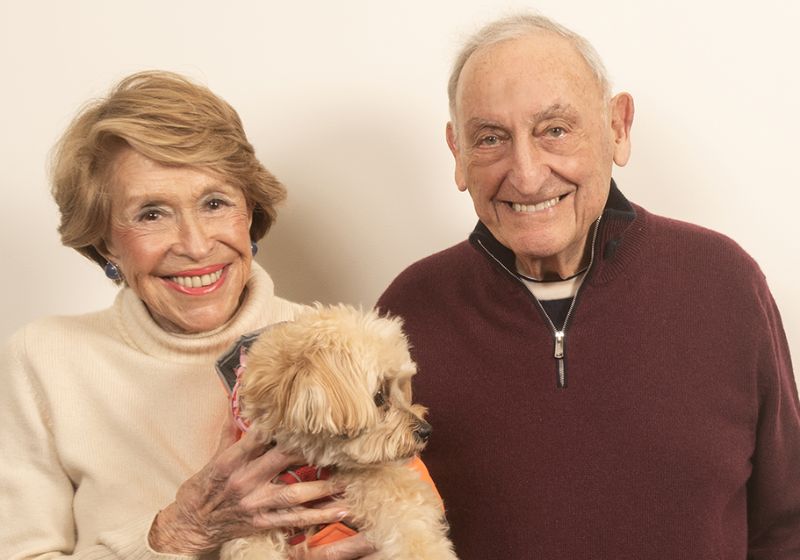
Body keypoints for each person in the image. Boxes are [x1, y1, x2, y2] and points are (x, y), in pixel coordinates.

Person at [377, 13, 800, 559]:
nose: (527, 175)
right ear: (458, 153)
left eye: (554, 129)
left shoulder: (723, 282)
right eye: (490, 138)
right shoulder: (406, 315)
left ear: (618, 127)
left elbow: (787, 524)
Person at [0, 71, 375, 559]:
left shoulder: (339, 348)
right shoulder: (44, 360)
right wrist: (177, 533)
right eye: (151, 213)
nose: (196, 245)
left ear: (250, 212)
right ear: (104, 241)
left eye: (215, 203)